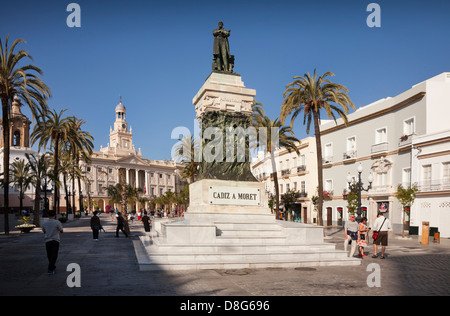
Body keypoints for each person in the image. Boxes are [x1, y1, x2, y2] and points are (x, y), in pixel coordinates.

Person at [41, 210, 64, 275]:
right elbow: (61, 230)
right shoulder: (57, 222)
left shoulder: (44, 223)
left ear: (48, 215)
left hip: (47, 240)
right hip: (55, 240)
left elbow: (44, 231)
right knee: (54, 255)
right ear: (55, 215)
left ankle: (52, 266)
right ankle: (50, 268)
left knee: (49, 254)